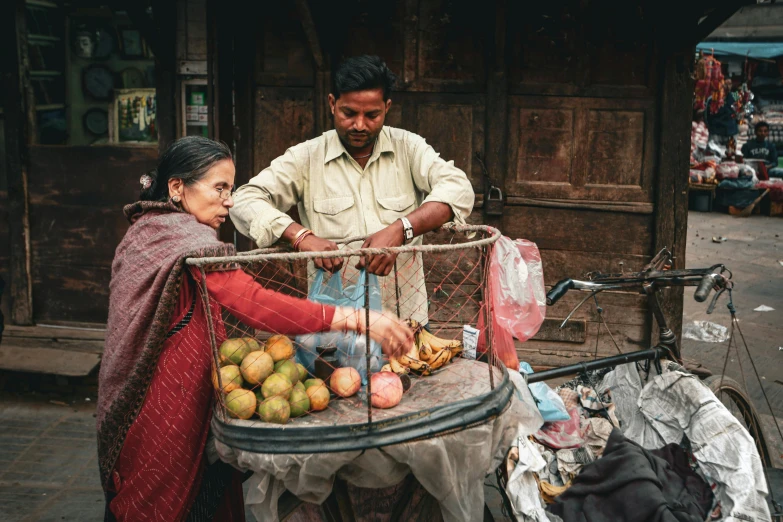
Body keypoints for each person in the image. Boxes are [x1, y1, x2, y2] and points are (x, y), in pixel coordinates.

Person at [97, 136, 412, 522]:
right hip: (163, 405)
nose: (229, 200)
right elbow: (252, 303)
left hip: (190, 393)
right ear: (177, 188)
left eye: (230, 189)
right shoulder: (179, 239)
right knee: (161, 503)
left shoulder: (149, 230)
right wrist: (356, 318)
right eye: (219, 188)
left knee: (206, 497)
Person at [230, 55, 474, 325]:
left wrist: (401, 229)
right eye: (349, 113)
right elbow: (243, 200)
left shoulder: (409, 148)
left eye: (372, 115)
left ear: (387, 107)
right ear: (333, 104)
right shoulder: (306, 158)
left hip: (405, 322)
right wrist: (300, 236)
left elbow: (458, 188)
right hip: (335, 324)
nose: (359, 125)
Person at [704, 79, 739, 150]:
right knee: (713, 155)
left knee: (730, 155)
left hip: (731, 132)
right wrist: (711, 128)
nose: (728, 86)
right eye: (725, 84)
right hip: (716, 132)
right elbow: (706, 117)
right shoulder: (712, 98)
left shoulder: (735, 95)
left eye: (730, 84)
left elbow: (740, 110)